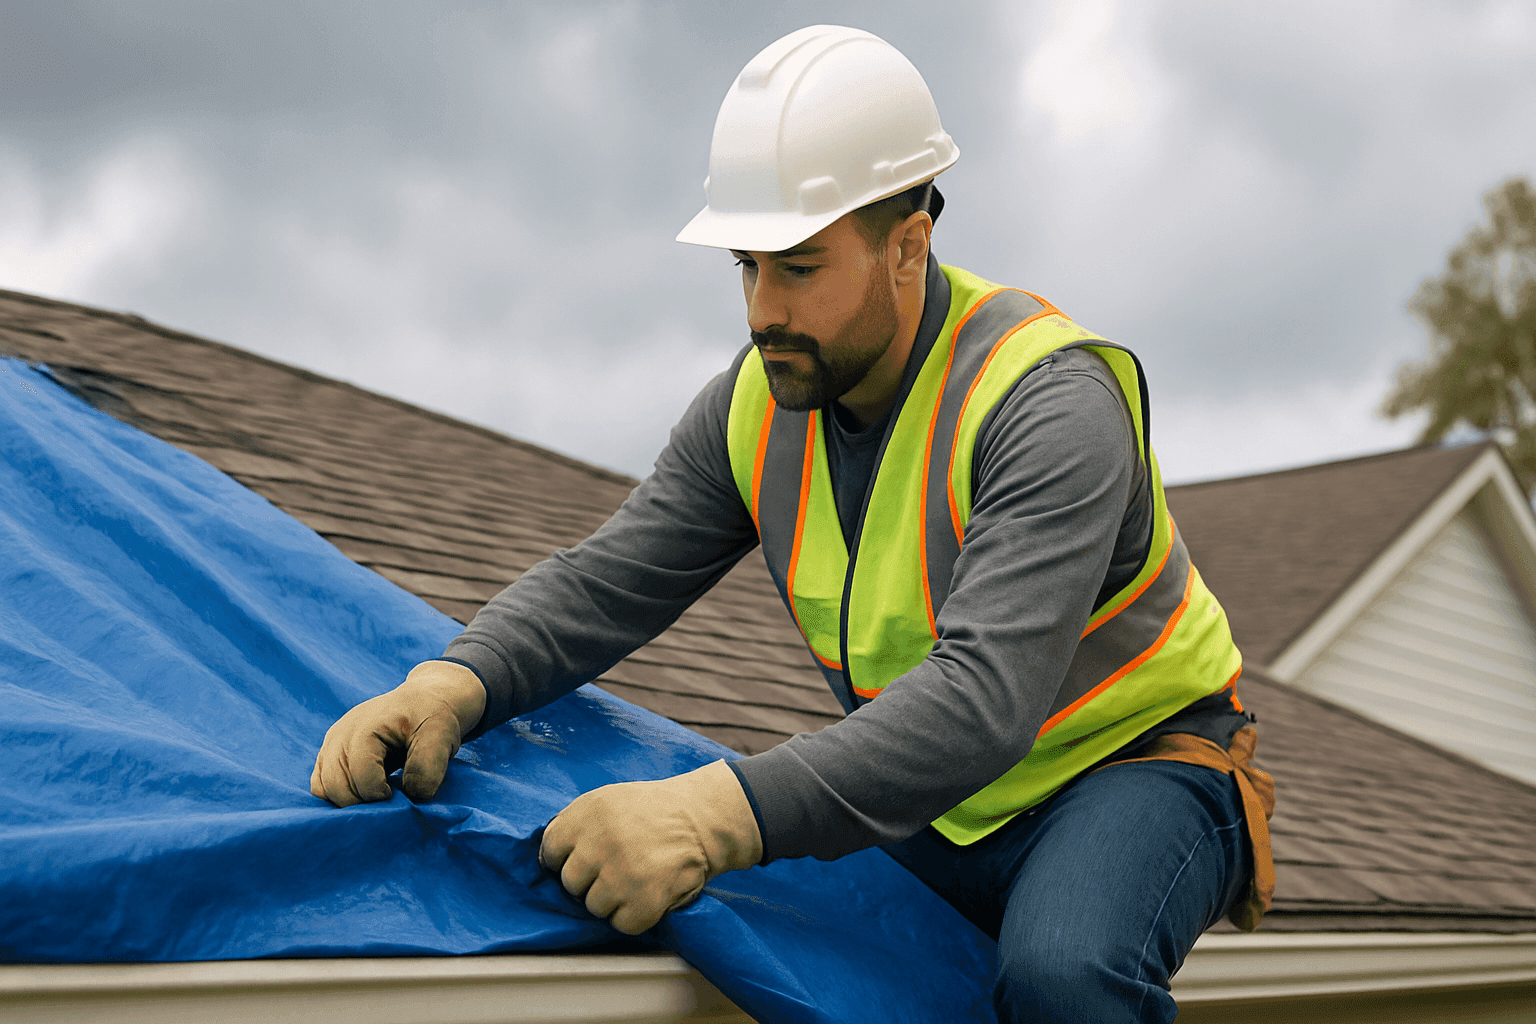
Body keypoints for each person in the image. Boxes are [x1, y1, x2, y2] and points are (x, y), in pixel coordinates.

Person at [311, 24, 1275, 1024]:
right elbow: (609, 579)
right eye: (746, 265)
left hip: (1133, 766)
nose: (762, 309)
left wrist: (708, 811)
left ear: (909, 244)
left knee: (1061, 977)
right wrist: (451, 682)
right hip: (942, 799)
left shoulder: (1046, 403)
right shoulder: (759, 405)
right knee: (784, 933)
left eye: (800, 267)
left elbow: (985, 701)